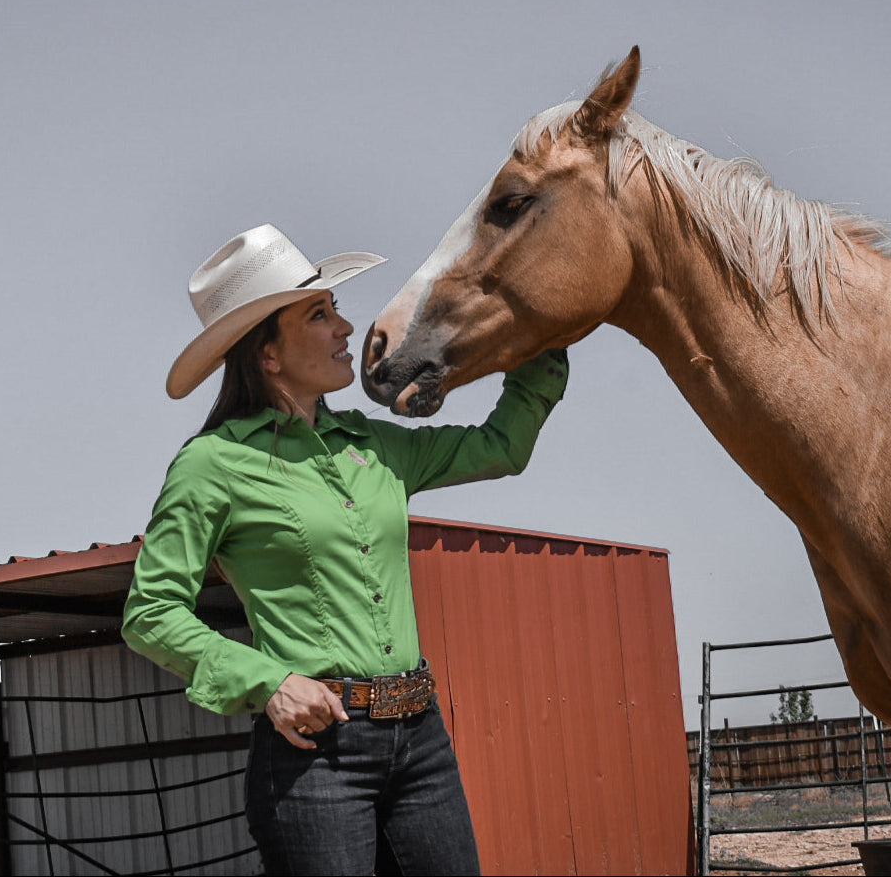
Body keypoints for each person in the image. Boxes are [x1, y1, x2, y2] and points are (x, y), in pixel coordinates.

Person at [122, 224, 567, 876]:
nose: (345, 328)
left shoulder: (374, 446)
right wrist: (267, 681)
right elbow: (150, 613)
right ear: (267, 354)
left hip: (421, 741)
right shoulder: (212, 465)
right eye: (319, 314)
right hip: (312, 757)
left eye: (334, 309)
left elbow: (501, 447)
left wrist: (546, 338)